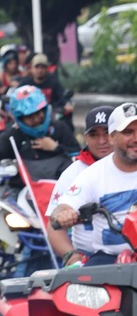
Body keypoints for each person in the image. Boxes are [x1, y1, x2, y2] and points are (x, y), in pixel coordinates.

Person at [50, 103, 137, 265]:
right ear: (113, 137)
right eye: (128, 132)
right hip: (107, 258)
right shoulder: (89, 174)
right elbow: (61, 209)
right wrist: (64, 215)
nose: (136, 138)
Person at [45, 106, 114, 266]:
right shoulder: (74, 173)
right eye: (94, 135)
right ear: (85, 138)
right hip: (90, 260)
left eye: (107, 133)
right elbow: (54, 225)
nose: (102, 141)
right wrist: (72, 257)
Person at [0, 85, 77, 179]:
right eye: (29, 116)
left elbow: (77, 154)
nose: (36, 119)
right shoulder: (14, 134)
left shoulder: (59, 128)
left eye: (38, 113)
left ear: (44, 110)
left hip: (58, 183)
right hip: (24, 185)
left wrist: (55, 147)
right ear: (20, 118)